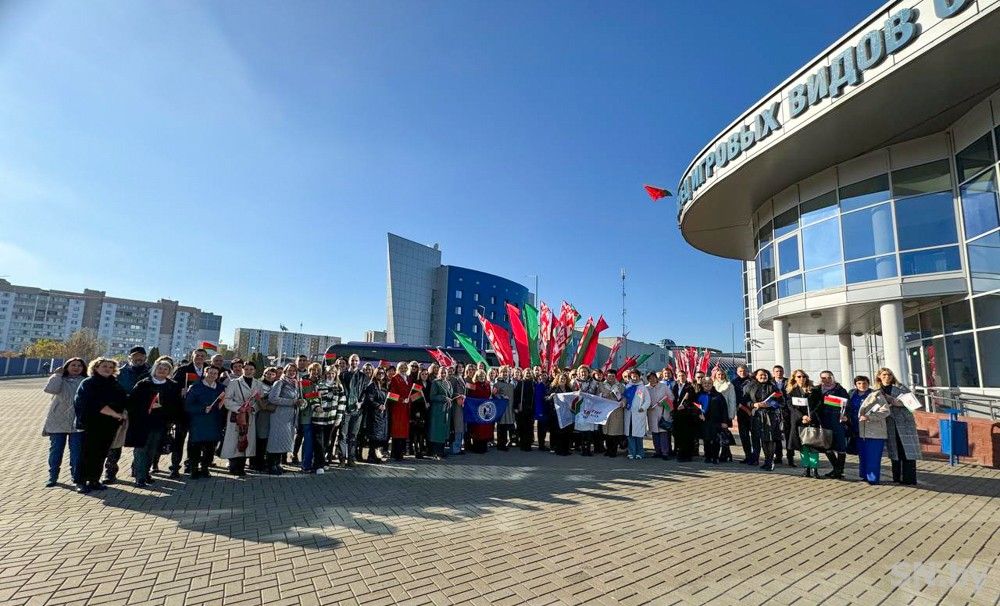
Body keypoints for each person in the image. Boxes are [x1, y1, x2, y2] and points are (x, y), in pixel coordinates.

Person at [74, 358, 128, 493]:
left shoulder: (115, 384)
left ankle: (94, 480)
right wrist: (114, 414)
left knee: (101, 453)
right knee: (86, 453)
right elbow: (94, 403)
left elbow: (124, 400)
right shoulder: (89, 383)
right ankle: (81, 481)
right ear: (96, 368)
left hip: (109, 425)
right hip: (91, 424)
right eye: (104, 366)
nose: (107, 369)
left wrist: (122, 413)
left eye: (110, 367)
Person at [125, 359, 182, 486]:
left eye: (165, 369)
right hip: (142, 423)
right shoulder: (143, 384)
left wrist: (166, 411)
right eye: (160, 368)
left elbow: (176, 405)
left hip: (160, 424)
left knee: (153, 450)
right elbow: (132, 403)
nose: (162, 371)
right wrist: (148, 406)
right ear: (154, 369)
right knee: (141, 450)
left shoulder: (172, 386)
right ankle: (140, 477)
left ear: (169, 371)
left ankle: (146, 473)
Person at [102, 346, 150, 484]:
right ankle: (110, 472)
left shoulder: (151, 372)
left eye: (141, 357)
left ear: (145, 358)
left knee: (139, 444)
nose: (138, 359)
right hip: (120, 411)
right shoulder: (119, 372)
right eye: (135, 356)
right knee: (115, 443)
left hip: (141, 412)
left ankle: (137, 470)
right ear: (130, 358)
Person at [41, 357, 87, 487]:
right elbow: (50, 389)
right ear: (67, 367)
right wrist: (57, 375)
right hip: (58, 420)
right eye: (73, 365)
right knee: (56, 450)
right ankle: (53, 476)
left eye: (79, 365)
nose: (76, 367)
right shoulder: (60, 378)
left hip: (77, 421)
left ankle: (76, 477)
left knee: (76, 452)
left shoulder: (85, 381)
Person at [169, 348, 209, 478]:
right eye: (197, 355)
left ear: (205, 358)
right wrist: (180, 391)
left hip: (199, 413)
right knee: (179, 440)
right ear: (192, 356)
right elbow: (172, 386)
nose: (199, 358)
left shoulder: (208, 370)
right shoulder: (183, 369)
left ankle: (191, 466)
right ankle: (175, 468)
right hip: (183, 412)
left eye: (202, 356)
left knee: (195, 442)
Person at [221, 360, 264, 477]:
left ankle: (241, 466)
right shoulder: (234, 383)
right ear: (243, 370)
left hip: (249, 416)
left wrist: (253, 408)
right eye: (246, 369)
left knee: (246, 440)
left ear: (255, 371)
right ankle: (233, 465)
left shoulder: (258, 384)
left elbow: (259, 401)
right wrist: (239, 408)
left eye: (251, 369)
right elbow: (227, 400)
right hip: (237, 415)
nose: (248, 371)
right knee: (235, 440)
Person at [878, 368, 921, 485]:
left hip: (904, 423)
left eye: (889, 374)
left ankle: (909, 479)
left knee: (907, 450)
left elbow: (913, 403)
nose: (887, 377)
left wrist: (893, 400)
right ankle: (896, 477)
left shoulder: (901, 388)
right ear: (879, 376)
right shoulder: (877, 390)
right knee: (894, 451)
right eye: (884, 375)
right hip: (889, 423)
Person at [185, 366, 225, 479]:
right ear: (205, 373)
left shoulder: (221, 388)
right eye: (210, 372)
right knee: (195, 447)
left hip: (214, 422)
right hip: (198, 422)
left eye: (215, 373)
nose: (213, 375)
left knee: (210, 448)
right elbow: (188, 405)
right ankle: (193, 470)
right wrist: (202, 409)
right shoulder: (196, 387)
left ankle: (205, 468)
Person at [852, 376, 891, 485]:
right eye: (859, 383)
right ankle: (865, 476)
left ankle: (873, 479)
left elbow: (886, 411)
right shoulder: (852, 395)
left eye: (864, 383)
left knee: (873, 456)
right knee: (863, 455)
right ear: (855, 385)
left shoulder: (876, 395)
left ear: (868, 384)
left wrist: (870, 417)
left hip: (874, 430)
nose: (862, 385)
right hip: (858, 430)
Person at [811, 370, 850, 479]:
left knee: (840, 446)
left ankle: (839, 470)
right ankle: (837, 469)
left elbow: (847, 404)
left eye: (829, 377)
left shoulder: (840, 389)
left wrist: (846, 416)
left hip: (837, 420)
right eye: (823, 378)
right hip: (823, 421)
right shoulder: (817, 390)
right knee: (827, 445)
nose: (827, 380)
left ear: (833, 378)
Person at [266, 364, 304, 475]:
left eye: (294, 371)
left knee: (283, 442)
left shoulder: (295, 384)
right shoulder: (280, 383)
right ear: (285, 371)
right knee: (275, 441)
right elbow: (272, 398)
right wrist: (292, 402)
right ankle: (271, 465)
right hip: (279, 416)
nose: (292, 373)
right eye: (289, 370)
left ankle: (278, 464)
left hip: (289, 417)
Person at [746, 368, 781, 471]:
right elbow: (746, 400)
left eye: (765, 375)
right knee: (756, 437)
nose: (763, 376)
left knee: (768, 439)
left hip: (769, 416)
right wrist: (754, 404)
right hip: (756, 415)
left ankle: (769, 461)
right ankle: (757, 459)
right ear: (756, 376)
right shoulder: (751, 386)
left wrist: (769, 404)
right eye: (760, 375)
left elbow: (781, 401)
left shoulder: (773, 386)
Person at [783, 369, 815, 469]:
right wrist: (802, 416)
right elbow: (791, 407)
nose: (802, 378)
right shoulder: (791, 391)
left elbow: (818, 405)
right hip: (798, 420)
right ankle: (806, 468)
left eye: (803, 376)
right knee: (803, 445)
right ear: (794, 378)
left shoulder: (813, 390)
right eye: (799, 376)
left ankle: (814, 468)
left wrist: (809, 416)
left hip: (811, 420)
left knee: (813, 445)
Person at [339, 355, 367, 466]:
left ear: (359, 362)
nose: (354, 362)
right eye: (352, 360)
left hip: (357, 410)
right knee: (343, 435)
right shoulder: (343, 375)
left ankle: (351, 458)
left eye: (356, 360)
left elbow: (365, 392)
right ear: (349, 362)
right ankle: (342, 458)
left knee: (353, 436)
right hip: (345, 409)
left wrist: (361, 402)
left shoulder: (363, 376)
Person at [251, 366, 278, 472]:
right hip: (260, 414)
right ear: (264, 374)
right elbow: (257, 399)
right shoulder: (259, 384)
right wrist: (264, 404)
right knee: (260, 439)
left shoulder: (276, 385)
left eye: (272, 374)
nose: (270, 376)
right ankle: (257, 463)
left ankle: (266, 462)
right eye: (268, 373)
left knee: (267, 440)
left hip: (272, 415)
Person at [697, 377, 730, 464]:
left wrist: (724, 421)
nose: (707, 385)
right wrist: (698, 414)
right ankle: (708, 456)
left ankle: (715, 457)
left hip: (716, 421)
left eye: (709, 383)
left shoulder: (718, 395)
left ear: (712, 384)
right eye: (705, 383)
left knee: (716, 440)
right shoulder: (698, 395)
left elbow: (724, 409)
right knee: (706, 440)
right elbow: (695, 407)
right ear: (702, 384)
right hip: (704, 421)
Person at [361, 366, 390, 462]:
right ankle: (371, 456)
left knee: (380, 437)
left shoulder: (385, 386)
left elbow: (387, 399)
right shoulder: (372, 386)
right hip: (374, 414)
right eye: (379, 373)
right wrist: (378, 405)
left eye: (382, 373)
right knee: (374, 436)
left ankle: (376, 455)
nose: (381, 375)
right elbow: (369, 399)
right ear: (375, 374)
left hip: (383, 415)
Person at [570, 366, 600, 456]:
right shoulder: (574, 382)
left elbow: (597, 394)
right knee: (582, 430)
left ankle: (588, 449)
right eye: (582, 372)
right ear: (579, 373)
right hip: (580, 408)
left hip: (590, 408)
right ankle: (583, 449)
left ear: (588, 373)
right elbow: (570, 394)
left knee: (589, 431)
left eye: (585, 372)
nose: (583, 373)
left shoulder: (594, 382)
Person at [623, 370, 650, 460]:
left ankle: (640, 453)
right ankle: (631, 452)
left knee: (638, 435)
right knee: (630, 434)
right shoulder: (628, 386)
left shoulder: (643, 388)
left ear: (639, 377)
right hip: (629, 413)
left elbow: (648, 400)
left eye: (636, 376)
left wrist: (643, 408)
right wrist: (624, 403)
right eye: (632, 376)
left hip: (638, 414)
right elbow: (624, 397)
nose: (634, 378)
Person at [466, 369, 495, 454]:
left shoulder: (487, 385)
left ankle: (484, 447)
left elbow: (489, 395)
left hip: (486, 410)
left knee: (485, 429)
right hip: (477, 410)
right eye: (480, 376)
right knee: (477, 429)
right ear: (477, 377)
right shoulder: (473, 385)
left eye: (483, 376)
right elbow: (470, 397)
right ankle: (477, 447)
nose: (482, 377)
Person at [711, 367, 736, 462]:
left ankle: (724, 454)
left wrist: (731, 414)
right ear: (715, 376)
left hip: (725, 412)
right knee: (718, 434)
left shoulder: (729, 385)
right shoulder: (712, 385)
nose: (720, 376)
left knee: (724, 434)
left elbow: (732, 400)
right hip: (715, 413)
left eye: (722, 374)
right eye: (718, 374)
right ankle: (727, 454)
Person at [387, 363, 411, 461]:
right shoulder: (395, 378)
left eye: (405, 368)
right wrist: (401, 400)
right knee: (397, 430)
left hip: (406, 407)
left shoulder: (408, 379)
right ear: (398, 368)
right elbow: (392, 394)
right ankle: (395, 453)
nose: (403, 369)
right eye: (401, 368)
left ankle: (401, 452)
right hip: (398, 407)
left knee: (403, 431)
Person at [428, 367, 453, 458]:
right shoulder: (435, 382)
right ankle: (436, 452)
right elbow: (432, 396)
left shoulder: (448, 383)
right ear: (438, 373)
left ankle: (441, 451)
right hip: (438, 410)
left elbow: (450, 394)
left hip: (446, 410)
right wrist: (443, 398)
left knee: (443, 431)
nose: (443, 374)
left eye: (444, 373)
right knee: (437, 431)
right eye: (441, 373)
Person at [546, 372, 574, 456]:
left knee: (567, 432)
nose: (563, 380)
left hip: (567, 414)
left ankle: (566, 449)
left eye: (564, 379)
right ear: (557, 380)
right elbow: (546, 398)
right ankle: (558, 449)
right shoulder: (554, 388)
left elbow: (573, 400)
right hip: (557, 414)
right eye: (561, 378)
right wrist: (551, 396)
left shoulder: (569, 389)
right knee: (558, 432)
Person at [645, 371, 671, 459]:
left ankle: (665, 453)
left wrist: (664, 402)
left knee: (663, 433)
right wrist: (647, 406)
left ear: (656, 378)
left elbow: (671, 397)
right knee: (655, 433)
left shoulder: (663, 386)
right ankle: (657, 451)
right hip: (651, 413)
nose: (652, 379)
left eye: (653, 377)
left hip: (663, 413)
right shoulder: (646, 388)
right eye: (650, 378)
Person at [670, 370, 695, 461]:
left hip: (686, 415)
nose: (681, 377)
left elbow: (692, 400)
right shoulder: (675, 386)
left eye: (683, 375)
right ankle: (679, 452)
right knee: (678, 434)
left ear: (686, 376)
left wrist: (684, 405)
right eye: (679, 376)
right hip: (677, 414)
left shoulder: (689, 387)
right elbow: (673, 399)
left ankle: (687, 455)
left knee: (686, 435)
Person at [732, 365, 754, 463]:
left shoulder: (753, 381)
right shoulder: (734, 382)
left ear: (748, 371)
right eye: (740, 371)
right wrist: (742, 407)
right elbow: (733, 397)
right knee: (744, 436)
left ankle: (755, 456)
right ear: (737, 372)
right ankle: (748, 456)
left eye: (744, 370)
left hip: (753, 410)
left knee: (755, 435)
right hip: (741, 411)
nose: (742, 372)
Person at [600, 371, 624, 457]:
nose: (611, 378)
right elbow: (597, 395)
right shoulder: (601, 385)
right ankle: (608, 450)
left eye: (613, 376)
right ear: (606, 376)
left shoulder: (620, 386)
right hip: (605, 411)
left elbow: (624, 397)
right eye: (609, 376)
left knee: (614, 432)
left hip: (616, 411)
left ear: (615, 377)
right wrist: (602, 395)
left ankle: (613, 451)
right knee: (606, 433)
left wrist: (622, 402)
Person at [512, 368, 535, 451]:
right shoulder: (520, 383)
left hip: (530, 409)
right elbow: (515, 396)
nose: (528, 375)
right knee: (522, 427)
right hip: (521, 409)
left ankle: (528, 444)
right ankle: (522, 444)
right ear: (523, 374)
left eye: (529, 373)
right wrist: (515, 407)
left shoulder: (533, 383)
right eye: (526, 373)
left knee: (529, 427)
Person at [494, 367, 516, 450]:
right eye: (503, 372)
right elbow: (494, 394)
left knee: (509, 426)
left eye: (506, 372)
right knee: (501, 427)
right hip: (502, 409)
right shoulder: (497, 384)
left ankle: (509, 442)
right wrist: (501, 396)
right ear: (499, 373)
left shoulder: (511, 384)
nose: (505, 374)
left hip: (510, 408)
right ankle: (501, 444)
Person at [447, 366, 467, 455]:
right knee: (457, 426)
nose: (460, 369)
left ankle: (458, 448)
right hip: (456, 405)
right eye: (458, 367)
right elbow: (450, 391)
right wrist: (458, 396)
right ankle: (454, 449)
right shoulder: (453, 378)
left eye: (462, 367)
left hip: (463, 405)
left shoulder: (463, 378)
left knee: (461, 427)